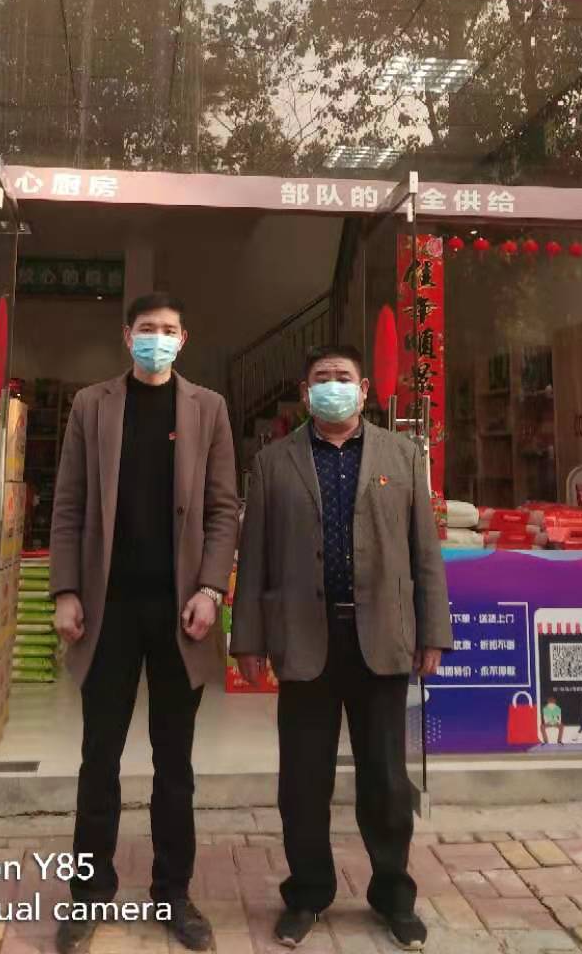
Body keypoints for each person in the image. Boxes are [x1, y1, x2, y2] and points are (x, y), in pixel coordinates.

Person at [230, 345, 452, 951]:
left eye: (344, 377)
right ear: (305, 393)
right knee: (303, 781)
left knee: (387, 779)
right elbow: (255, 556)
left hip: (381, 640)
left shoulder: (402, 456)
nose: (333, 386)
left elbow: (425, 552)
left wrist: (433, 631)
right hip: (304, 640)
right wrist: (247, 638)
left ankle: (393, 895)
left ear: (364, 389)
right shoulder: (273, 462)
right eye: (322, 378)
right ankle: (307, 893)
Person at [49, 293, 239, 954]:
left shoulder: (208, 408)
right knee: (98, 758)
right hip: (107, 611)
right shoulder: (91, 405)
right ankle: (88, 892)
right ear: (126, 336)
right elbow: (69, 504)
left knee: (174, 763)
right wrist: (65, 590)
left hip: (180, 613)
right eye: (146, 329)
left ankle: (173, 892)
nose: (157, 338)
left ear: (184, 339)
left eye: (169, 330)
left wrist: (211, 588)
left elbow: (223, 509)